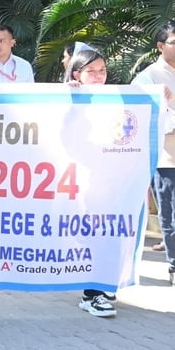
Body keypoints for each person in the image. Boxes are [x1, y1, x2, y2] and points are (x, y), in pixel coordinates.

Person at [132, 22, 175, 292]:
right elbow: (148, 116)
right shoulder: (148, 78)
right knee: (173, 216)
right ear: (160, 46)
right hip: (170, 159)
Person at [63, 44, 117, 316]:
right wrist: (69, 102)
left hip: (110, 179)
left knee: (109, 232)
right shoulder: (67, 99)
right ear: (76, 74)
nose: (98, 76)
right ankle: (91, 294)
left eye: (102, 71)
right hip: (80, 179)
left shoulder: (115, 98)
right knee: (93, 233)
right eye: (91, 71)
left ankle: (102, 282)